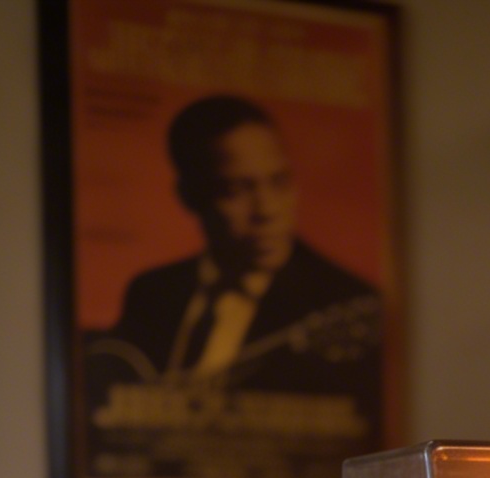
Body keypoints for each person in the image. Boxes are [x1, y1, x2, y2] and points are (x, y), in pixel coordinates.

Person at [100, 95, 381, 432]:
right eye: (236, 190)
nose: (267, 210)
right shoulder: (151, 291)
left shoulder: (347, 300)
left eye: (279, 182)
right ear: (189, 195)